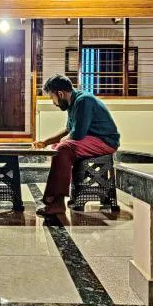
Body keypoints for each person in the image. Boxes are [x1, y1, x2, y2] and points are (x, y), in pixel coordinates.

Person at [32, 74, 120, 215]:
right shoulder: (73, 103)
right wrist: (46, 142)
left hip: (105, 141)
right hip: (92, 139)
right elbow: (69, 130)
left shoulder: (84, 100)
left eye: (52, 97)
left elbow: (78, 134)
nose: (53, 102)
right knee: (57, 148)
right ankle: (54, 198)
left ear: (60, 94)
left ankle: (57, 202)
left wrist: (62, 142)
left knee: (63, 149)